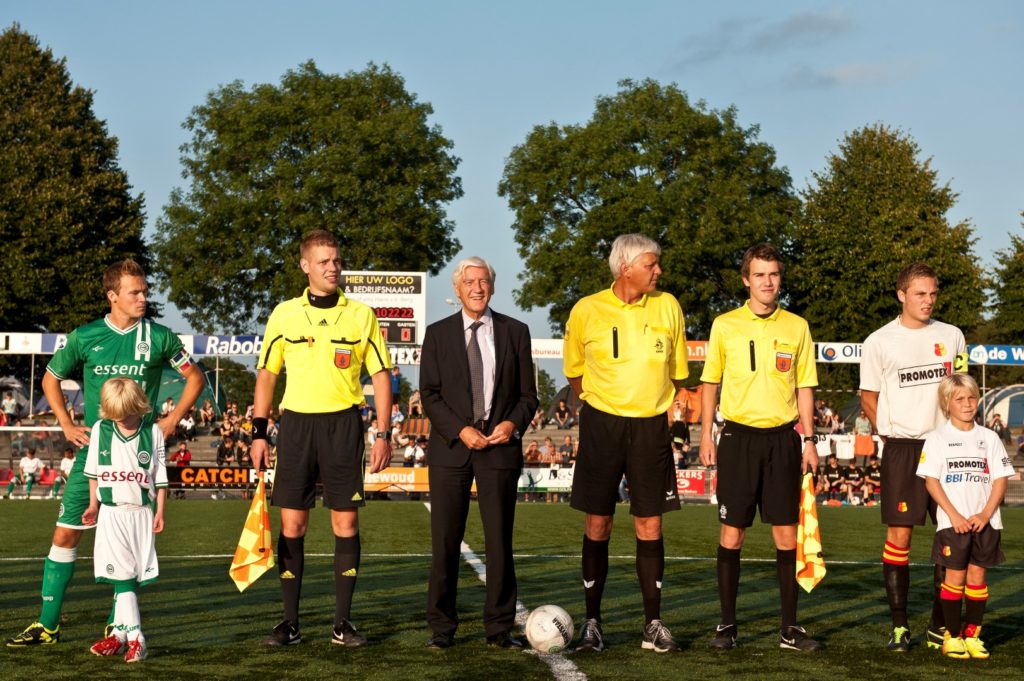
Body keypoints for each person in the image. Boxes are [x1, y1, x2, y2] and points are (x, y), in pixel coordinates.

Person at [6, 259, 204, 648]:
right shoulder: (85, 336)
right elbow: (50, 379)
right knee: (65, 533)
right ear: (113, 295)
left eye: (144, 291)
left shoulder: (160, 336)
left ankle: (119, 626)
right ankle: (48, 625)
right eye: (134, 292)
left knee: (126, 540)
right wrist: (66, 423)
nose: (142, 298)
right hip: (94, 453)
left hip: (138, 458)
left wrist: (171, 420)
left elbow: (195, 377)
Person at [250, 230, 393, 648]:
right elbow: (267, 375)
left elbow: (380, 375)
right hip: (296, 426)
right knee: (292, 524)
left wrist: (383, 433)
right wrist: (259, 433)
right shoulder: (284, 314)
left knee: (345, 523)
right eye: (324, 261)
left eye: (336, 260)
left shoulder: (361, 315)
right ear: (305, 266)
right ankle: (290, 623)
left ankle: (342, 623)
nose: (333, 267)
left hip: (343, 425)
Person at [563, 234, 688, 654]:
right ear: (625, 268)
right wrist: (604, 404)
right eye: (652, 264)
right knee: (598, 522)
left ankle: (653, 624)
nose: (659, 271)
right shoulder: (587, 309)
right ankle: (592, 623)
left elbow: (678, 374)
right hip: (602, 425)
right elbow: (574, 373)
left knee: (650, 524)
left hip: (651, 426)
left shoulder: (668, 306)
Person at [699, 243, 821, 651]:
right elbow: (710, 383)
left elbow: (805, 387)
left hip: (783, 440)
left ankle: (789, 628)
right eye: (760, 275)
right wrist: (705, 435)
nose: (768, 282)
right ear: (745, 279)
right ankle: (727, 626)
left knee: (786, 535)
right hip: (737, 439)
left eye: (774, 274)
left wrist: (809, 440)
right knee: (732, 533)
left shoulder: (797, 327)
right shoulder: (725, 325)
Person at [418, 255, 537, 649]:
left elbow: (528, 396)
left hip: (499, 448)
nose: (477, 288)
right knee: (445, 542)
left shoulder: (516, 332)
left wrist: (511, 424)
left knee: (499, 541)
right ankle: (442, 628)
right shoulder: (437, 334)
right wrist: (460, 430)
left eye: (483, 280)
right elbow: (429, 395)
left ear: (493, 286)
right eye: (469, 282)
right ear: (457, 288)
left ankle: (499, 629)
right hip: (451, 448)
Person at [860, 262, 967, 652]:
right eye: (920, 293)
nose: (929, 300)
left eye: (933, 293)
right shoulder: (879, 341)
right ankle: (900, 627)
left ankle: (940, 624)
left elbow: (961, 388)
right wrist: (889, 433)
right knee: (899, 536)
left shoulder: (952, 336)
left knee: (953, 536)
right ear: (901, 295)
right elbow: (868, 397)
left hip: (946, 446)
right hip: (903, 449)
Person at [917, 374, 1014, 659]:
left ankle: (972, 635)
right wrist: (954, 515)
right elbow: (931, 482)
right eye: (959, 399)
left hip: (986, 521)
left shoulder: (990, 437)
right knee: (954, 578)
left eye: (972, 397)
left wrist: (985, 513)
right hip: (953, 523)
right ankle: (952, 636)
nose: (967, 404)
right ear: (946, 403)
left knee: (977, 578)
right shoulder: (937, 439)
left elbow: (1000, 479)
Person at [80, 378, 167, 663]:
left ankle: (123, 634)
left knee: (128, 576)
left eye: (127, 414)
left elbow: (160, 477)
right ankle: (130, 637)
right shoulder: (100, 429)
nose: (121, 420)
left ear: (139, 406)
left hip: (140, 513)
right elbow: (93, 471)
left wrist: (160, 511)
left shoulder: (153, 432)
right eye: (116, 415)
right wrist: (93, 505)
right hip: (111, 512)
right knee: (123, 577)